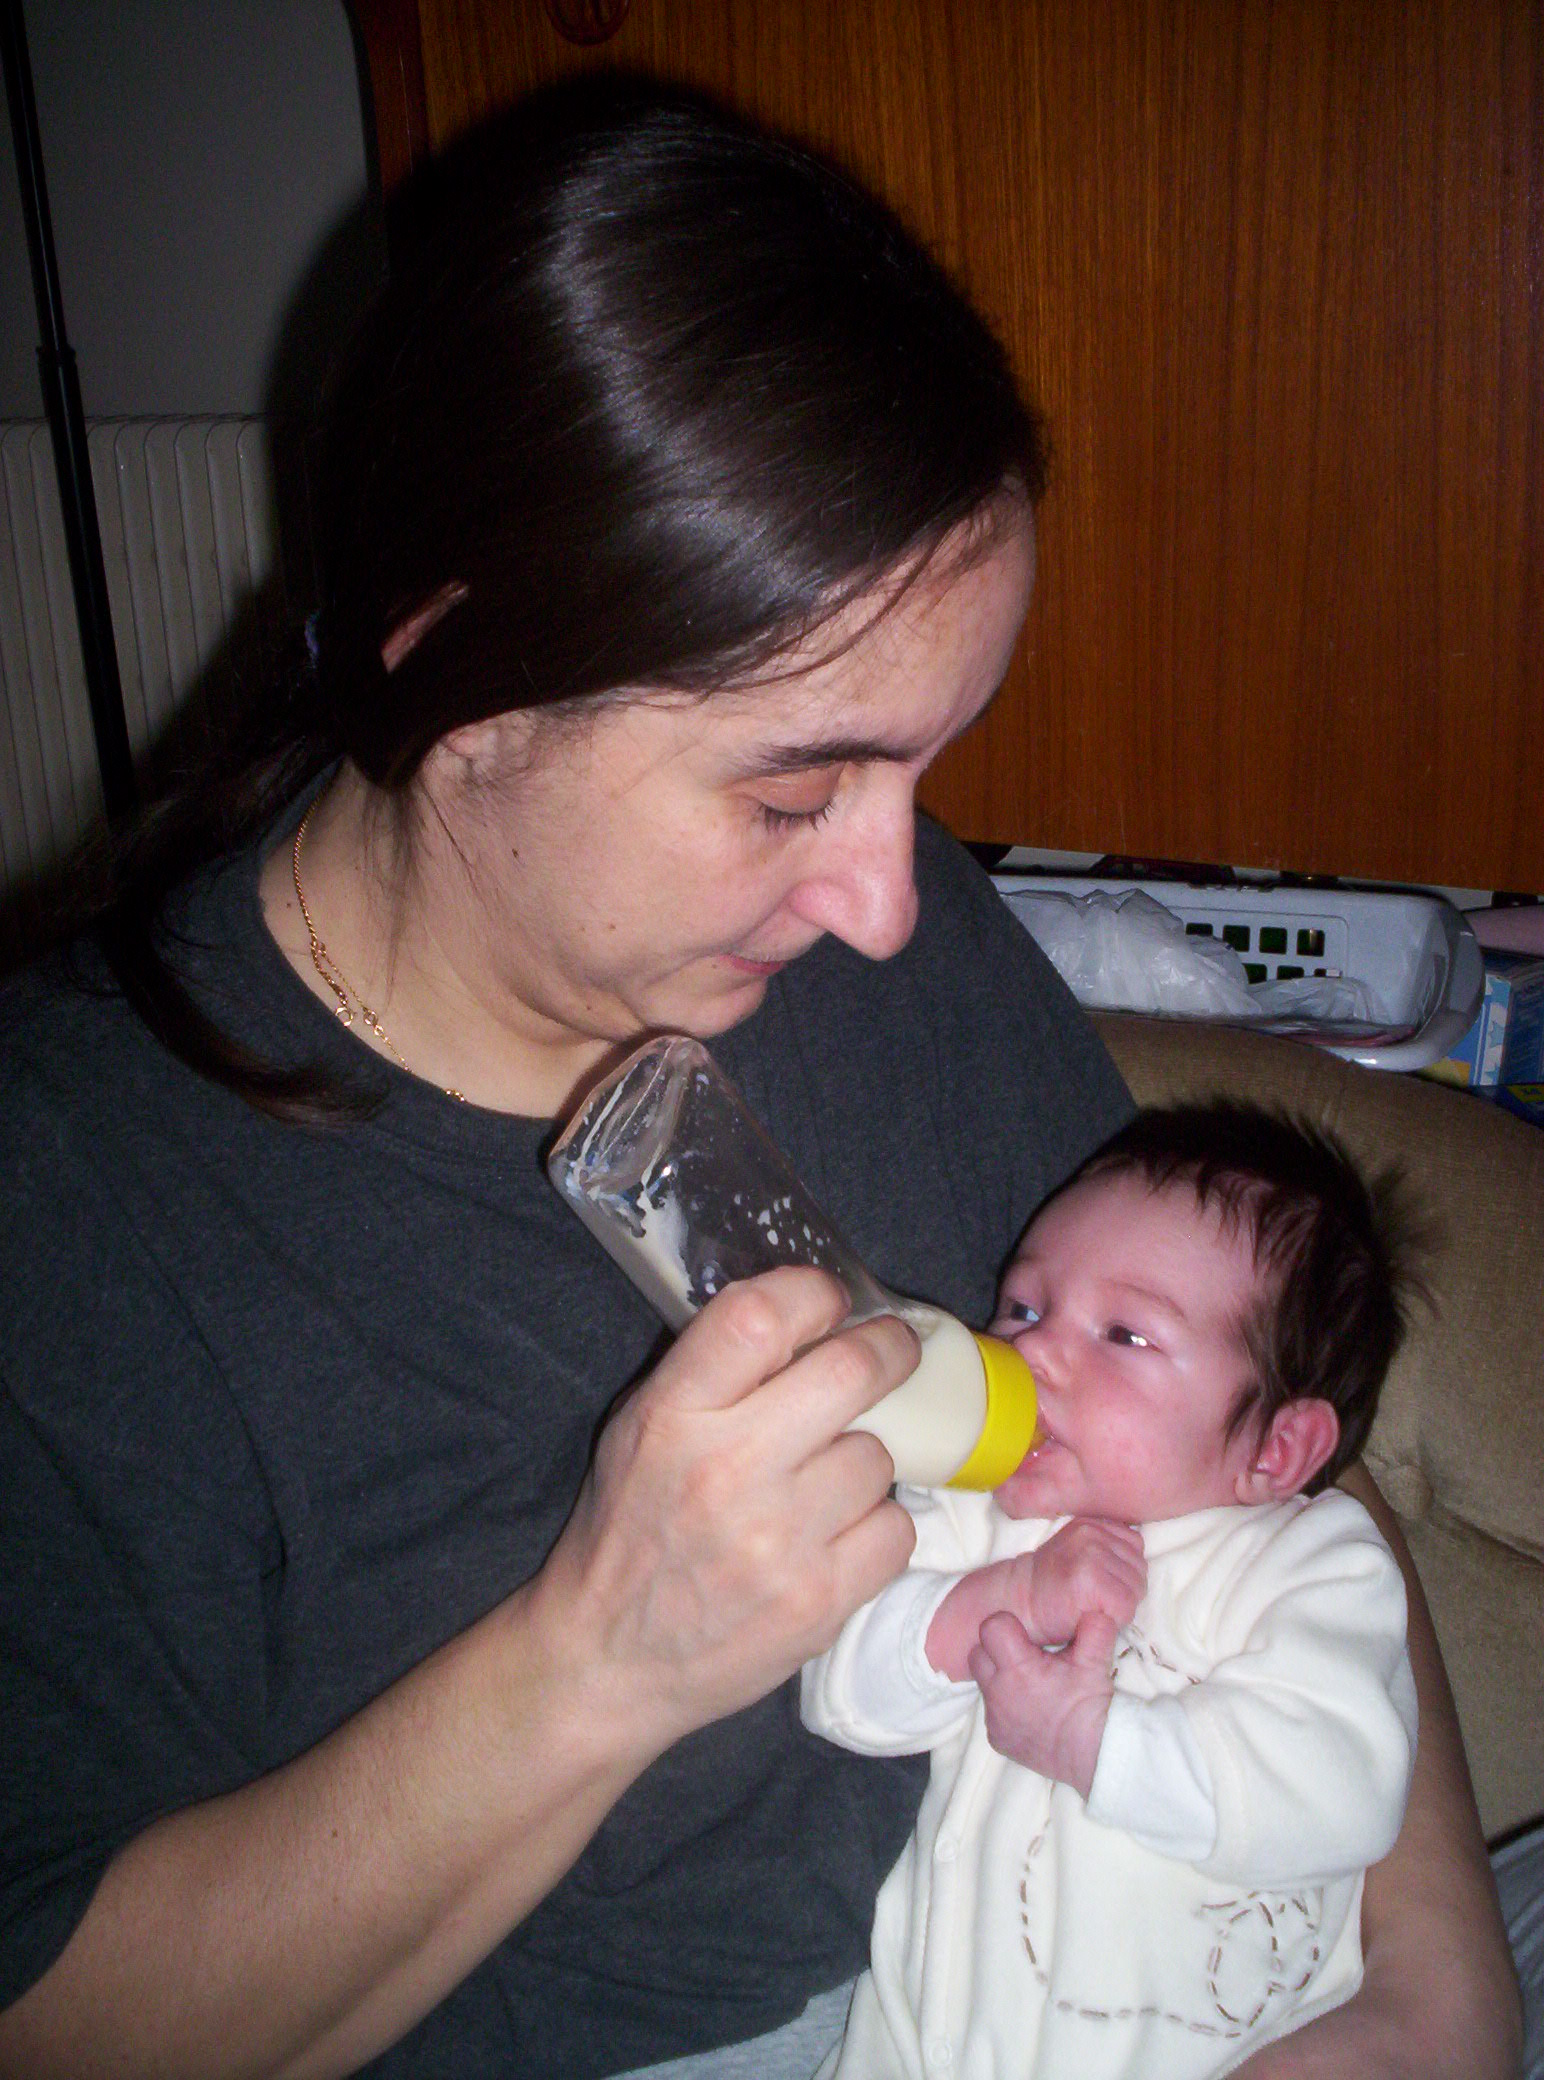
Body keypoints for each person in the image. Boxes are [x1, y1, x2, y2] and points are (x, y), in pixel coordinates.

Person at [0, 78, 1520, 2080]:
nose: (891, 903)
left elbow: (1239, 1425)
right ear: (454, 671)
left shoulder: (875, 940)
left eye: (918, 768)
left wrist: (1430, 1982)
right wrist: (599, 1656)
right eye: (792, 792)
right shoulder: (79, 1200)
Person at [803, 1102, 1424, 2078]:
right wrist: (997, 1598)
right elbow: (842, 1691)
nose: (1031, 1352)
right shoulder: (974, 1510)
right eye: (1022, 1306)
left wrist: (1098, 1743)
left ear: (1276, 1448)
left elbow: (1339, 1786)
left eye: (1124, 1334)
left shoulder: (1312, 1567)